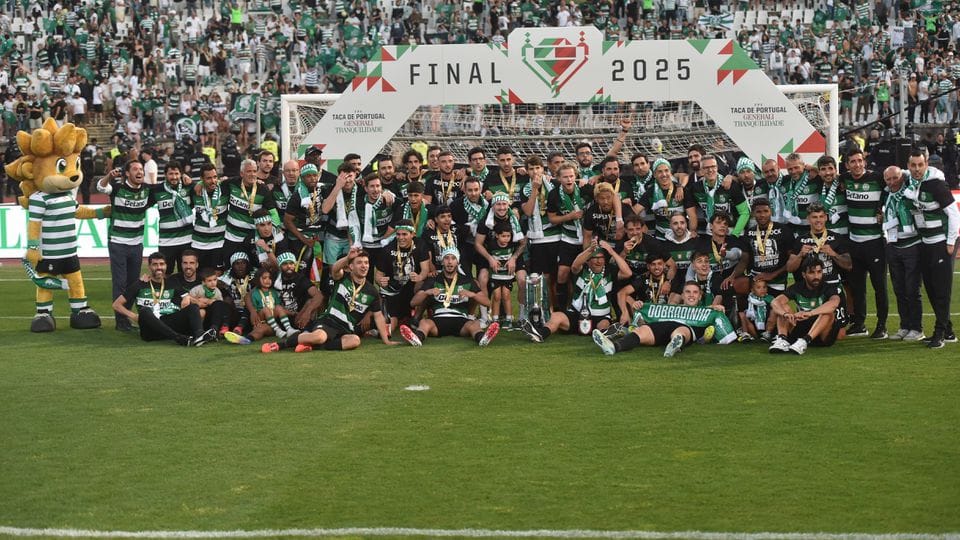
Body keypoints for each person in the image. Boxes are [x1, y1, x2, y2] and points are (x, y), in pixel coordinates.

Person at [261, 248, 398, 353]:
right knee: (320, 336)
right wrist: (347, 258)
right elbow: (335, 269)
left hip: (346, 328)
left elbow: (378, 316)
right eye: (359, 263)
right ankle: (280, 345)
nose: (364, 266)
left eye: (366, 263)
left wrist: (386, 340)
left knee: (355, 341)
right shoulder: (343, 278)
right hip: (329, 321)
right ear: (351, 266)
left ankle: (312, 346)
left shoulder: (371, 291)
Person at [592, 280, 737, 358]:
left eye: (695, 292)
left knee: (680, 332)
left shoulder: (707, 310)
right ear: (682, 295)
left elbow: (725, 335)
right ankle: (613, 347)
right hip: (663, 325)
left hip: (687, 328)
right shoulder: (669, 308)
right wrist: (639, 306)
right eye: (688, 292)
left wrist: (718, 309)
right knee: (641, 331)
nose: (691, 295)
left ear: (700, 296)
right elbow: (643, 319)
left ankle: (674, 344)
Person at [521, 240, 632, 342]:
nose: (598, 261)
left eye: (601, 258)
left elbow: (627, 273)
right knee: (556, 317)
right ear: (588, 261)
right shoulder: (581, 270)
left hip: (600, 316)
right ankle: (540, 334)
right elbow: (575, 265)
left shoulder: (610, 271)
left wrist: (611, 252)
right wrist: (589, 250)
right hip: (576, 314)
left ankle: (605, 335)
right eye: (594, 258)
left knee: (604, 324)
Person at [906, 149, 960, 348]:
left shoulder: (936, 184)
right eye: (913, 165)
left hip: (941, 243)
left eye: (920, 165)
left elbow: (954, 213)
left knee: (941, 289)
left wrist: (951, 242)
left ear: (927, 164)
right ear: (908, 166)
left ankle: (939, 333)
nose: (917, 169)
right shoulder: (911, 182)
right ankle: (948, 331)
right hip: (925, 242)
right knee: (930, 287)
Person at [399, 247, 501, 347]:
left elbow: (487, 302)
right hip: (438, 318)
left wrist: (473, 295)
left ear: (457, 262)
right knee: (424, 323)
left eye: (453, 258)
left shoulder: (467, 280)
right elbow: (413, 302)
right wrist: (427, 292)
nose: (449, 262)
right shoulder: (433, 280)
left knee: (474, 324)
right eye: (446, 258)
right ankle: (417, 338)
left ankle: (482, 338)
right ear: (442, 261)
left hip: (460, 319)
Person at [111, 252, 215, 346]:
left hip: (167, 322)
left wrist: (187, 297)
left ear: (166, 266)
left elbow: (187, 297)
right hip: (149, 329)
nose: (159, 267)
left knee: (193, 307)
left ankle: (199, 335)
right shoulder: (140, 284)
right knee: (145, 311)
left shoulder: (171, 283)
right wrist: (134, 316)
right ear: (149, 267)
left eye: (161, 264)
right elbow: (116, 305)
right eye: (155, 264)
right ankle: (178, 338)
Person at [841, 147, 889, 339]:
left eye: (860, 160)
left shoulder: (877, 178)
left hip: (875, 242)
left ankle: (882, 326)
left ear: (865, 162)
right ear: (847, 165)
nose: (857, 164)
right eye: (853, 161)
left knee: (879, 287)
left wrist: (883, 211)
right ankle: (859, 324)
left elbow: (893, 191)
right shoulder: (844, 179)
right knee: (857, 287)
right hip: (854, 242)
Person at [97, 160, 149, 332]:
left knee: (133, 284)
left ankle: (126, 316)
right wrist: (108, 176)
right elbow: (100, 187)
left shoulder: (147, 190)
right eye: (135, 169)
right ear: (127, 173)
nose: (139, 172)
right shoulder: (118, 188)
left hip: (137, 244)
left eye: (141, 169)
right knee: (120, 283)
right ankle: (121, 321)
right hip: (118, 243)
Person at [882, 165, 925, 342]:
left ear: (902, 177)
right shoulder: (886, 194)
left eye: (895, 178)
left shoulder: (911, 193)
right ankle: (905, 326)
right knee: (899, 289)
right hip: (893, 245)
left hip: (912, 245)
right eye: (888, 179)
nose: (892, 182)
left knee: (912, 289)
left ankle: (917, 328)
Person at [768, 255, 843, 355]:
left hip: (821, 334)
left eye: (819, 272)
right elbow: (775, 302)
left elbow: (834, 303)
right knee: (783, 307)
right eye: (812, 272)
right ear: (804, 274)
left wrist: (810, 313)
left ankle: (805, 341)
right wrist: (786, 314)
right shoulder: (797, 287)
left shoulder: (828, 288)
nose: (816, 276)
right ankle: (782, 340)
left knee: (828, 313)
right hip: (800, 327)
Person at [375, 221, 431, 334]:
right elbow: (378, 275)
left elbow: (425, 270)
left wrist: (419, 277)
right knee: (389, 327)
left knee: (424, 285)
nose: (401, 238)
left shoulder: (420, 245)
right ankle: (386, 325)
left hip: (412, 288)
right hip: (393, 290)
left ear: (413, 234)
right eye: (398, 234)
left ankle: (416, 318)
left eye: (404, 234)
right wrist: (381, 281)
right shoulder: (387, 249)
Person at [225, 267, 295, 344]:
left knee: (278, 307)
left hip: (274, 322)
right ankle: (246, 339)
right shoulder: (255, 293)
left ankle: (289, 329)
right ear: (258, 279)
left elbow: (280, 309)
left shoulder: (273, 292)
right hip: (262, 320)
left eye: (270, 278)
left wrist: (293, 313)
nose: (268, 280)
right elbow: (255, 310)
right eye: (264, 278)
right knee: (259, 328)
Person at [151, 160, 194, 274]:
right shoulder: (157, 190)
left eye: (177, 174)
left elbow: (203, 188)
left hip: (187, 240)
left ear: (181, 174)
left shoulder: (188, 187)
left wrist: (191, 180)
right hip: (166, 241)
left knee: (186, 274)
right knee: (165, 274)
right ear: (165, 175)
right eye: (171, 174)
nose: (174, 177)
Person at [191, 162, 229, 271]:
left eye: (215, 177)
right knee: (199, 276)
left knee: (217, 276)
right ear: (201, 179)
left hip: (219, 243)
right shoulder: (195, 191)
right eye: (208, 178)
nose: (213, 181)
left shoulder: (225, 189)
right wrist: (197, 183)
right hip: (198, 243)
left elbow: (238, 180)